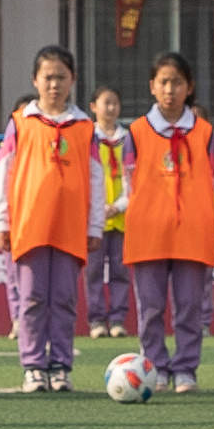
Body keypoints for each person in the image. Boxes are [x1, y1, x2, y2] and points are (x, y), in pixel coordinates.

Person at [0, 47, 105, 395]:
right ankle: (33, 365)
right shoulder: (21, 122)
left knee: (65, 300)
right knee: (32, 298)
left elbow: (97, 179)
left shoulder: (85, 127)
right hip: (29, 225)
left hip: (70, 227)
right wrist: (0, 220)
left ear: (73, 80)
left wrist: (94, 224)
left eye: (61, 77)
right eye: (48, 77)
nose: (54, 84)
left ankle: (61, 366)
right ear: (35, 80)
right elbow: (2, 173)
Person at [116, 51, 214, 393]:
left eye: (177, 82)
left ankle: (186, 368)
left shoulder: (205, 133)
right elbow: (129, 180)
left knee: (190, 307)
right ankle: (157, 366)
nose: (170, 89)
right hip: (149, 230)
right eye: (163, 82)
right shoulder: (135, 131)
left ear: (189, 87)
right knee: (150, 308)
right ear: (152, 86)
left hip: (192, 228)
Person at [85, 82, 134, 347]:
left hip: (121, 217)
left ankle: (117, 319)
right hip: (95, 218)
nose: (111, 107)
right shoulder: (87, 137)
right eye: (106, 102)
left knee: (120, 271)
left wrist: (120, 204)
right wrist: (98, 205)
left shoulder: (127, 139)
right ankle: (96, 320)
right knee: (93, 271)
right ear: (94, 107)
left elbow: (132, 175)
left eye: (115, 102)